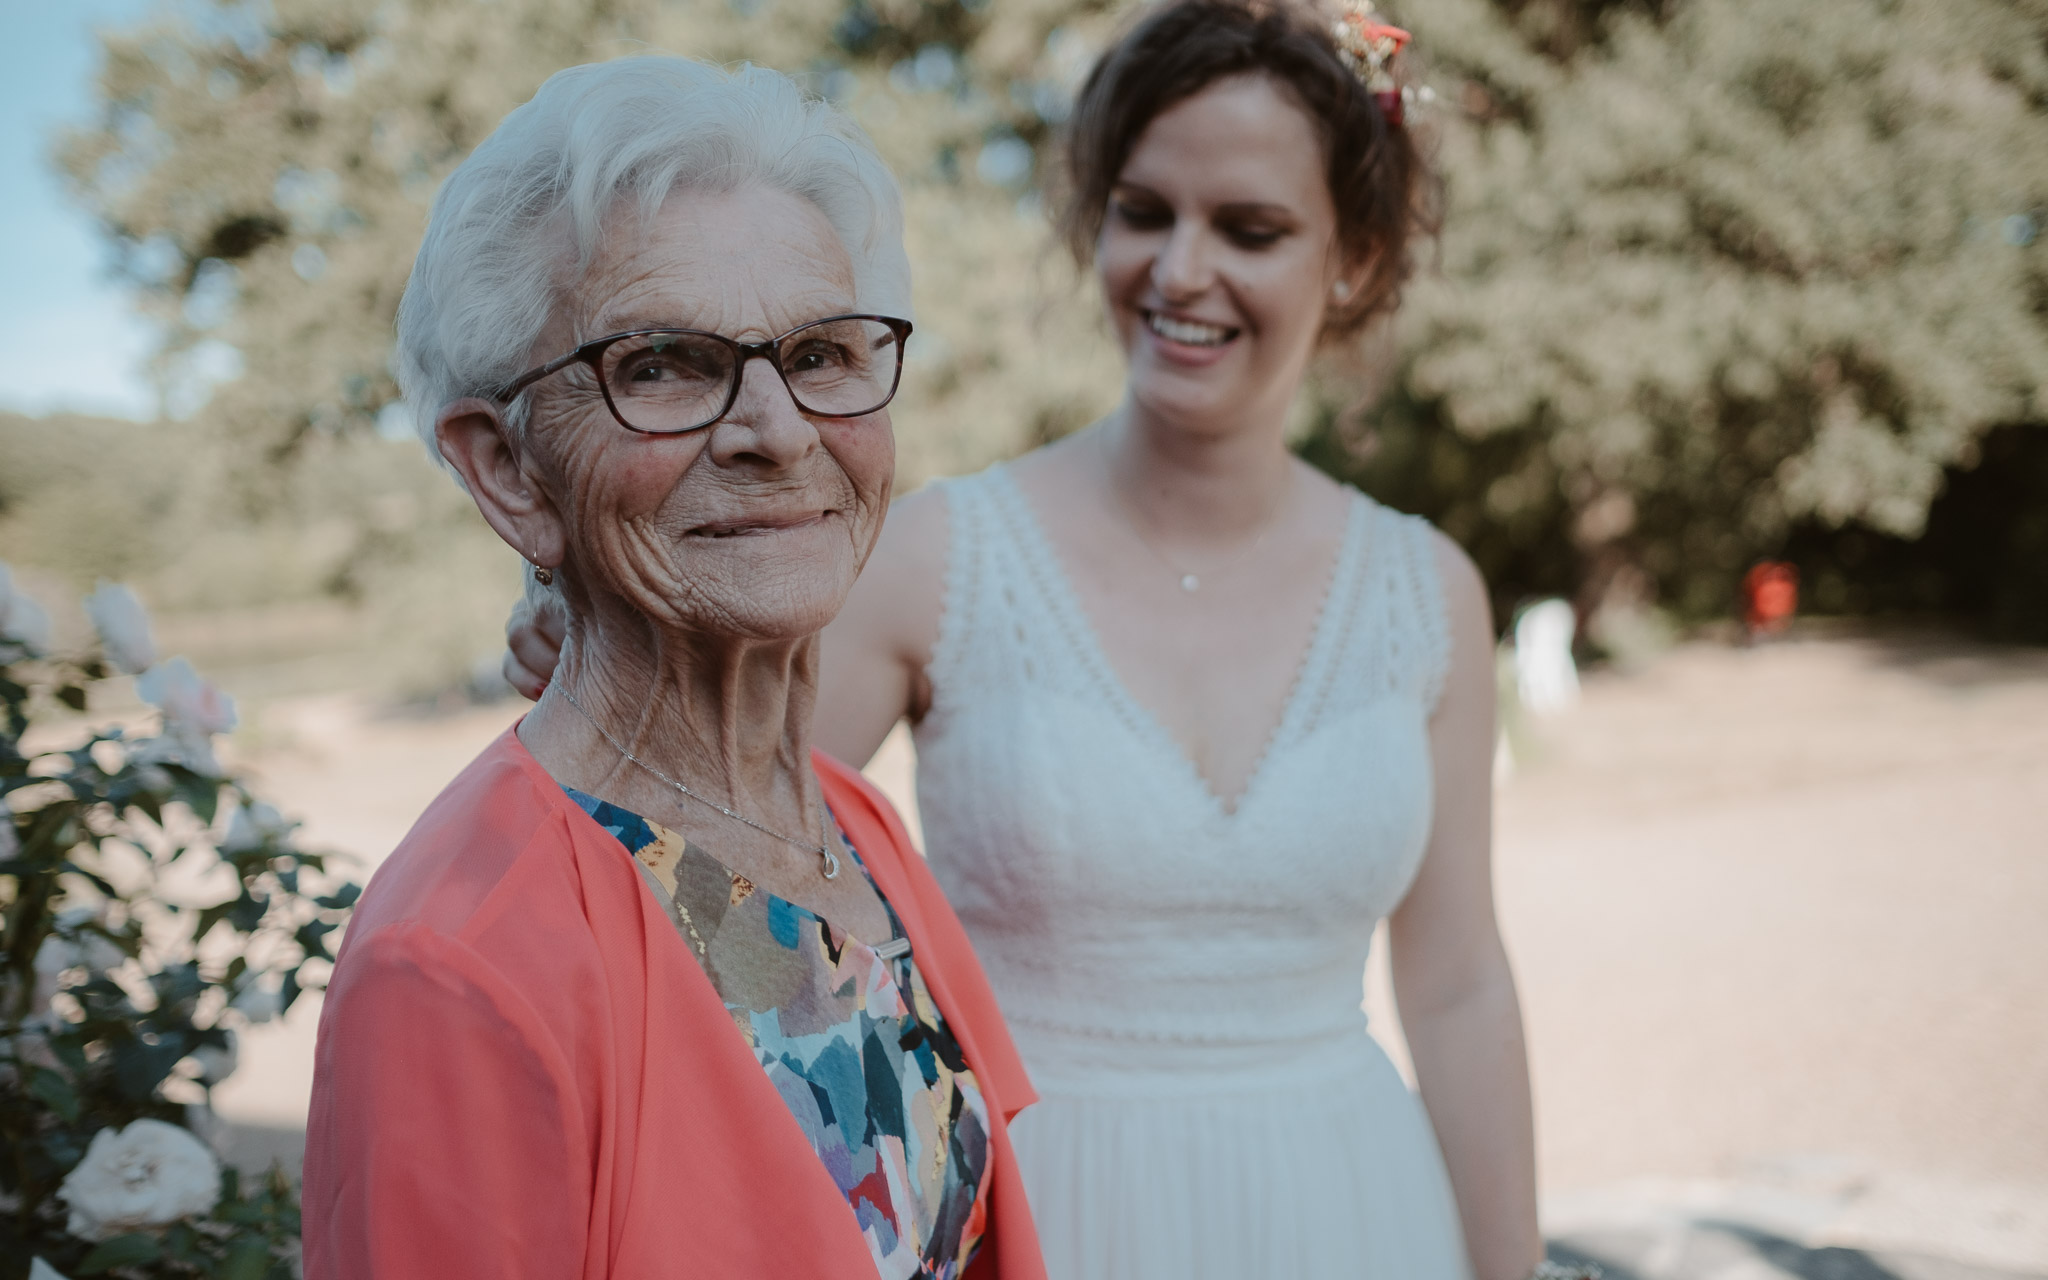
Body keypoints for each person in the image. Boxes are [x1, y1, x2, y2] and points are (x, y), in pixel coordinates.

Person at [509, 2, 1550, 1276]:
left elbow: (1456, 987)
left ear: (1349, 258)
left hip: (1356, 1207)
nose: (1179, 269)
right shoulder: (935, 558)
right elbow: (698, 851)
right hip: (1048, 1208)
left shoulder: (1423, 589)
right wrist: (607, 627)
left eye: (1251, 228)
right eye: (1143, 210)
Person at [304, 57, 1047, 1280]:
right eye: (663, 366)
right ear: (506, 469)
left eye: (820, 353)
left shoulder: (848, 822)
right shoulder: (452, 961)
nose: (777, 429)